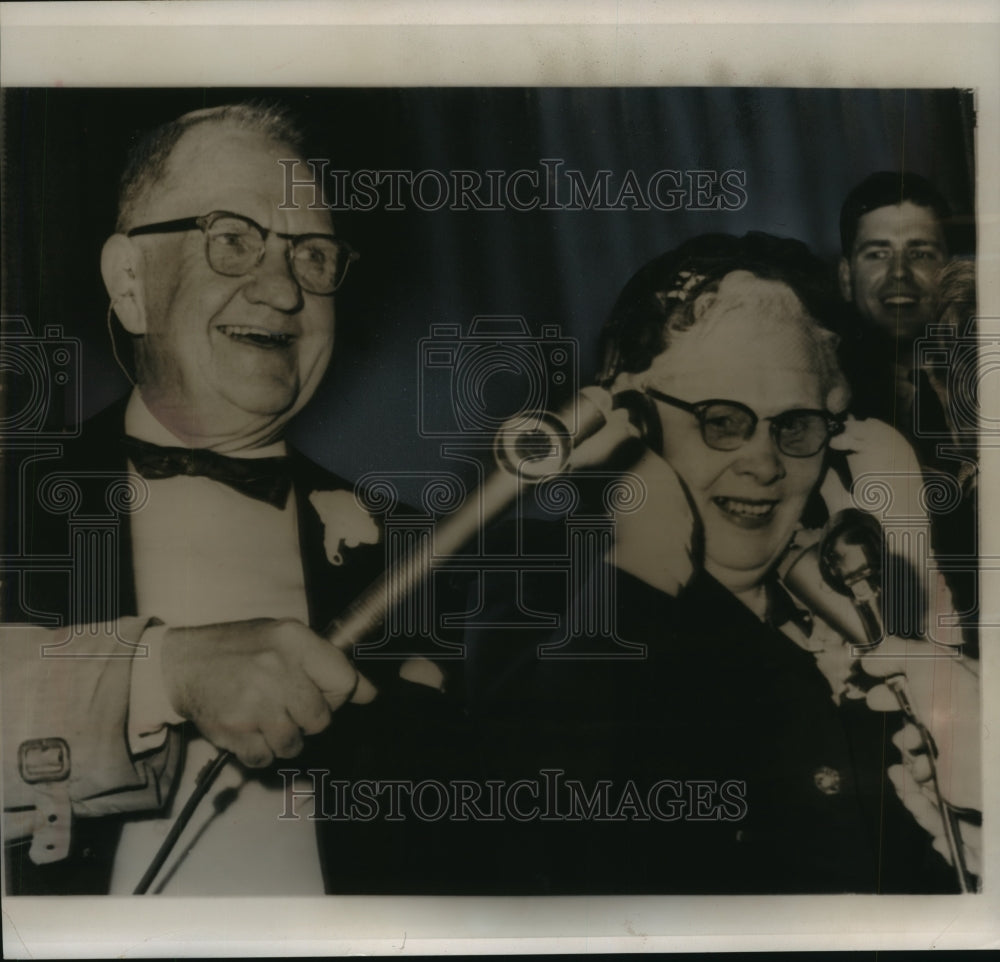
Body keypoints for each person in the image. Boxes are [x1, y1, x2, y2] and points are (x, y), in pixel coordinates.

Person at [1, 103, 458, 896]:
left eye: (312, 255)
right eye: (233, 240)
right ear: (131, 284)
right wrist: (164, 672)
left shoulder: (408, 544)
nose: (282, 291)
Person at [464, 232, 980, 894]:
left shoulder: (847, 645)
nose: (765, 465)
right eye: (721, 419)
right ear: (632, 426)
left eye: (794, 425)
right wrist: (637, 573)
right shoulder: (540, 629)